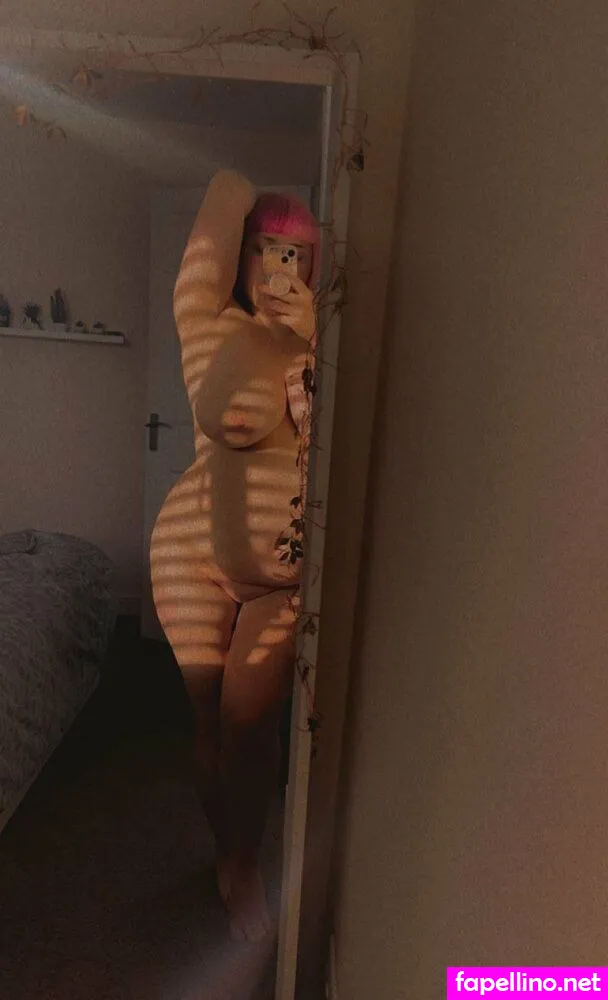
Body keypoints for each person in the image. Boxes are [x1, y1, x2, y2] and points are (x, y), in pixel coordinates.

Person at [149, 169, 320, 942]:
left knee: (249, 721)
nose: (278, 266)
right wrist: (237, 187)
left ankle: (245, 861)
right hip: (189, 549)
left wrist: (309, 344)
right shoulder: (211, 328)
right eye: (264, 249)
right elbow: (202, 253)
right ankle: (228, 853)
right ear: (242, 255)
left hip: (278, 569)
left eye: (294, 253)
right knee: (206, 720)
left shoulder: (323, 342)